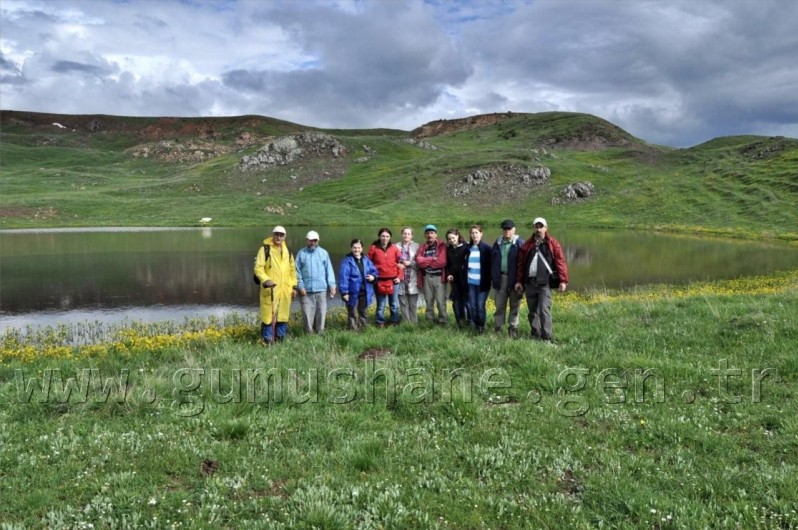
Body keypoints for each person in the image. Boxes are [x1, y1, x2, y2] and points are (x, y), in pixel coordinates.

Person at [514, 217, 569, 341]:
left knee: (544, 310)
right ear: (533, 228)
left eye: (541, 226)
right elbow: (521, 265)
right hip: (529, 283)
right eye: (536, 226)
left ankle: (547, 337)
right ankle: (535, 333)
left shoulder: (552, 243)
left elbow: (560, 262)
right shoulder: (527, 244)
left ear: (545, 228)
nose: (538, 229)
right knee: (532, 311)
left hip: (545, 283)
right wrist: (519, 281)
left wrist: (563, 280)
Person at [253, 225, 297, 344]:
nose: (278, 237)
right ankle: (267, 341)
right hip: (270, 289)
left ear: (285, 237)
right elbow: (258, 268)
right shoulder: (265, 249)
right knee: (268, 316)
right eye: (276, 234)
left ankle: (280, 339)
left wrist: (293, 286)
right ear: (272, 235)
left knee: (283, 315)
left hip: (285, 290)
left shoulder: (288, 251)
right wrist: (266, 280)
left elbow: (292, 270)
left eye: (281, 235)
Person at [295, 230, 336, 334]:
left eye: (315, 240)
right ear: (306, 240)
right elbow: (296, 271)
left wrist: (332, 285)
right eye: (310, 240)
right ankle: (309, 335)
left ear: (318, 241)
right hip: (306, 290)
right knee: (307, 315)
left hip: (321, 289)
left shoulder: (324, 253)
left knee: (321, 313)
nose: (312, 243)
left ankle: (320, 333)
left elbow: (329, 271)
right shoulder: (301, 254)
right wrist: (300, 285)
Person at [491, 219, 524, 338]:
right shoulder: (497, 243)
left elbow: (524, 264)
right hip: (501, 278)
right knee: (499, 304)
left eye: (509, 229)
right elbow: (492, 261)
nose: (507, 231)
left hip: (515, 280)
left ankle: (513, 328)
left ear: (514, 230)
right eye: (504, 229)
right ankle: (498, 328)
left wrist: (521, 281)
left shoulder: (520, 243)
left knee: (515, 305)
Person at [339, 239, 378, 331]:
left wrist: (373, 277)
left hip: (365, 291)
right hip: (352, 292)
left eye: (359, 247)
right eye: (354, 248)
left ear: (362, 248)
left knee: (363, 311)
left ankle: (364, 329)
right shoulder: (347, 261)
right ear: (351, 248)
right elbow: (343, 277)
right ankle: (352, 330)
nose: (357, 250)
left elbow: (375, 271)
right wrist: (344, 292)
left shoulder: (366, 259)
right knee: (351, 312)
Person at [368, 228, 404, 327]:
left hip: (393, 280)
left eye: (387, 236)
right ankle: (380, 323)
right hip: (379, 281)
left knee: (394, 304)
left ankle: (394, 322)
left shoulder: (394, 248)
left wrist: (399, 276)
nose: (385, 238)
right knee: (381, 305)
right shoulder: (373, 248)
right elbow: (368, 264)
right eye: (383, 236)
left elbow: (400, 263)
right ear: (379, 236)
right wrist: (372, 276)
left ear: (390, 237)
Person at [415, 224, 448, 324]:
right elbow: (419, 262)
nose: (430, 235)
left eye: (432, 233)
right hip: (427, 277)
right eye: (428, 233)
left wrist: (426, 262)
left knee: (440, 301)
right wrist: (432, 259)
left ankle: (443, 321)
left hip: (439, 278)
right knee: (428, 300)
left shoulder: (442, 246)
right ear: (425, 235)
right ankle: (429, 320)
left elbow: (441, 262)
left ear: (436, 234)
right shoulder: (422, 247)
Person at [466, 224, 493, 334]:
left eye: (476, 232)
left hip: (483, 283)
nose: (474, 235)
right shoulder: (467, 249)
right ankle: (476, 325)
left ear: (481, 234)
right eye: (472, 233)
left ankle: (481, 327)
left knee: (480, 305)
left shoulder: (487, 249)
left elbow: (492, 265)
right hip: (470, 282)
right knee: (472, 306)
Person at [444, 228, 470, 328]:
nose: (451, 240)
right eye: (449, 239)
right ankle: (460, 323)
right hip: (454, 280)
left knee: (466, 302)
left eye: (453, 238)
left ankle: (469, 322)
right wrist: (448, 274)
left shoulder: (466, 247)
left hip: (465, 279)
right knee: (455, 301)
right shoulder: (448, 249)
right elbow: (447, 265)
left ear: (458, 236)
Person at [396, 226, 421, 324]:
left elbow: (420, 264)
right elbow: (391, 262)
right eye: (404, 233)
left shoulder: (417, 246)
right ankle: (406, 324)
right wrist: (397, 265)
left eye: (408, 234)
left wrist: (410, 263)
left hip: (413, 279)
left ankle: (414, 323)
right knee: (403, 303)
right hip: (400, 279)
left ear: (412, 236)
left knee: (413, 304)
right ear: (401, 234)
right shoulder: (395, 246)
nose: (406, 235)